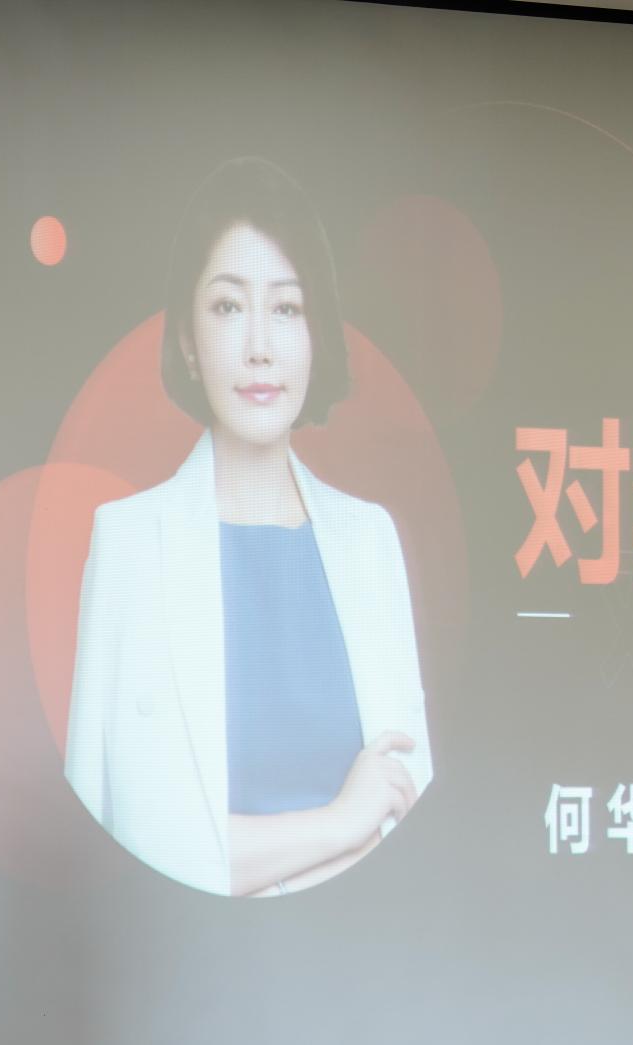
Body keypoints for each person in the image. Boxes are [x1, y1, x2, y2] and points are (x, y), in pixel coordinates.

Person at [65, 158, 432, 897]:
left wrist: (250, 849)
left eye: (288, 309)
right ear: (188, 339)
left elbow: (406, 812)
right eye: (229, 306)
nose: (260, 345)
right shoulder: (129, 543)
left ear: (316, 336)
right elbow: (125, 839)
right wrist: (339, 824)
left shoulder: (369, 542)